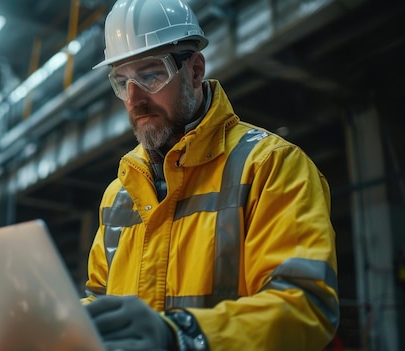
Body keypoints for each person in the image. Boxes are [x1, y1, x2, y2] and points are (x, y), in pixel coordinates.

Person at [81, 0, 339, 350]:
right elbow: (99, 299)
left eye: (151, 74)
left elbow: (305, 304)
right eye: (121, 80)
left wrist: (181, 337)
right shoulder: (119, 194)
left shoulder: (270, 166)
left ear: (195, 71)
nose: (134, 98)